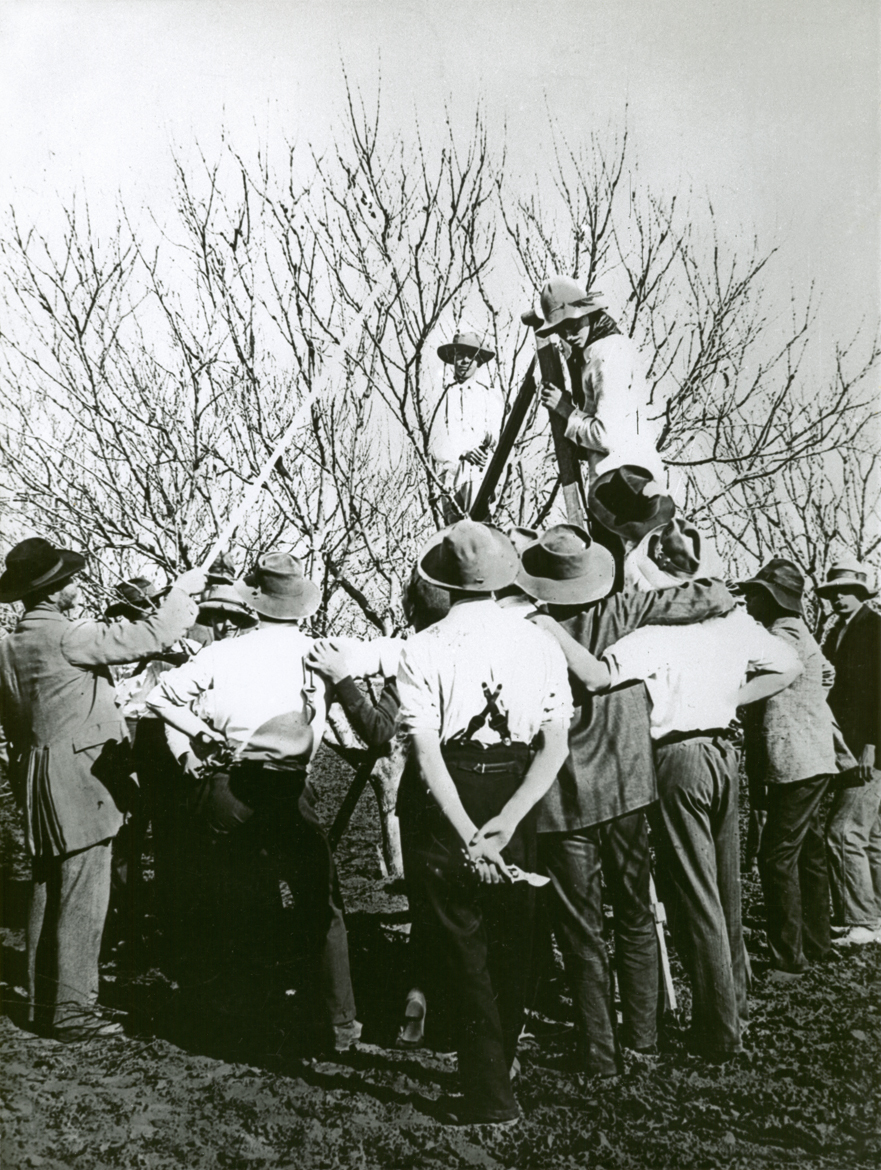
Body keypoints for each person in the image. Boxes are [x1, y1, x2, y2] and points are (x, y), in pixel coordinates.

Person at [536, 530, 802, 1061]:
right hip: (720, 755)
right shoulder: (733, 624)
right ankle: (725, 1014)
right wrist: (732, 697)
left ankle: (717, 1034)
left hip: (674, 763)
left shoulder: (650, 635)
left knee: (694, 898)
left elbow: (592, 676)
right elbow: (790, 666)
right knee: (726, 893)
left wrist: (549, 629)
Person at [519, 524, 737, 1076]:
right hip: (627, 784)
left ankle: (601, 1054)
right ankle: (641, 1040)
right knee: (637, 914)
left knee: (581, 928)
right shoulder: (625, 611)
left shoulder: (526, 630)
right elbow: (715, 592)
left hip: (562, 795)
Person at [147, 552, 360, 1052]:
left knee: (239, 901)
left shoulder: (223, 655)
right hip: (290, 789)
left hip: (233, 787)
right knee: (319, 906)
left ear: (254, 602)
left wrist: (202, 736)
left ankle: (249, 1016)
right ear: (301, 606)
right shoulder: (321, 654)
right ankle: (338, 1022)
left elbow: (160, 698)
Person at [396, 521, 572, 1125]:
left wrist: (467, 829)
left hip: (451, 796)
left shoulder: (421, 648)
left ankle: (491, 1091)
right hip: (516, 794)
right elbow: (555, 746)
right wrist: (506, 821)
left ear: (442, 579)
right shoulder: (540, 643)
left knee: (461, 944)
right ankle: (500, 1066)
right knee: (513, 939)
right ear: (503, 575)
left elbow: (424, 754)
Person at [0, 537, 205, 1041]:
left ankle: (43, 999)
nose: (76, 585)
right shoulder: (70, 636)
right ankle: (73, 1011)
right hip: (80, 779)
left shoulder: (8, 646)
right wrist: (183, 593)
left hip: (36, 779)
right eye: (67, 580)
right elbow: (154, 634)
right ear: (52, 592)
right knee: (84, 893)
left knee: (48, 887)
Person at [737, 559, 840, 979]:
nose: (749, 600)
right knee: (809, 852)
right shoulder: (803, 634)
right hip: (812, 756)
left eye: (755, 594)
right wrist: (808, 705)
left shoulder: (780, 635)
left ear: (774, 598)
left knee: (776, 857)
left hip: (796, 760)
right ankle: (817, 943)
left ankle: (789, 959)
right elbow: (828, 673)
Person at [535, 277, 665, 486]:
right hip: (626, 481)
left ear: (588, 313)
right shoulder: (598, 352)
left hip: (626, 485)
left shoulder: (607, 354)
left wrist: (565, 409)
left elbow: (606, 436)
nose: (569, 335)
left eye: (573, 324)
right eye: (561, 329)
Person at [819, 557, 881, 945]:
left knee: (843, 832)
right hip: (849, 746)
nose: (838, 598)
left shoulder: (875, 629)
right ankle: (873, 915)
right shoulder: (837, 632)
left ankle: (861, 921)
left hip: (867, 749)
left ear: (861, 593)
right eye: (833, 592)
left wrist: (871, 748)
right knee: (872, 836)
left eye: (846, 591)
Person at [428, 331, 503, 523]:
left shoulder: (489, 396)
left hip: (478, 474)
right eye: (459, 356)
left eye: (470, 356)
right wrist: (462, 452)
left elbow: (496, 436)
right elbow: (435, 441)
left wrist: (483, 448)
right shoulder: (443, 396)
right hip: (450, 476)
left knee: (478, 528)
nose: (464, 361)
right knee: (455, 536)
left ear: (478, 362)